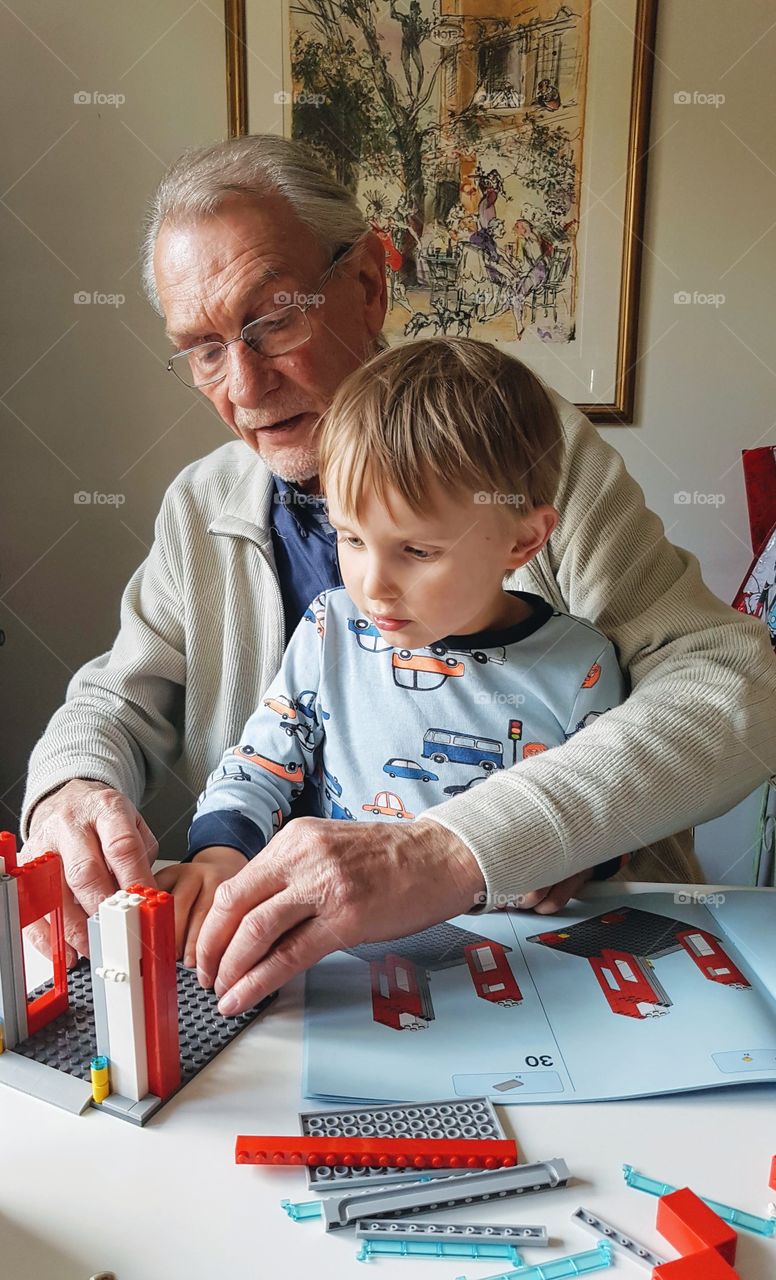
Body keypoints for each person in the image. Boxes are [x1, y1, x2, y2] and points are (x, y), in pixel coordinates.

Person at [19, 135, 776, 1016]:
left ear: (369, 284)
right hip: (284, 984)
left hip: (553, 967)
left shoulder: (522, 460)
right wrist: (71, 789)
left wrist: (454, 850)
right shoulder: (203, 501)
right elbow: (116, 699)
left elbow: (733, 687)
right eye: (205, 348)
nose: (245, 387)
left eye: (272, 322)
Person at [164, 338, 629, 969]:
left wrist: (580, 858)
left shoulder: (582, 666)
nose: (373, 585)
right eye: (351, 538)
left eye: (417, 551)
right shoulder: (330, 628)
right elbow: (260, 764)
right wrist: (221, 852)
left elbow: (612, 808)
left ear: (523, 539)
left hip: (527, 960)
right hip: (352, 950)